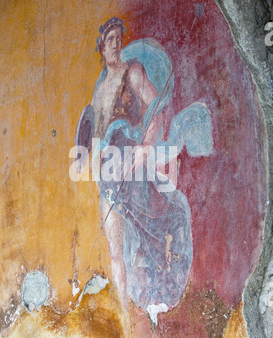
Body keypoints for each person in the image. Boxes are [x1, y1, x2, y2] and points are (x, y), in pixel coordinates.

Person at [76, 17, 213, 322]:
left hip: (132, 164)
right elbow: (95, 136)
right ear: (100, 46)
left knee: (146, 230)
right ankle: (124, 315)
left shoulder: (133, 72)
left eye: (118, 37)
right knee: (114, 246)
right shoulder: (99, 92)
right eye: (109, 38)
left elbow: (158, 110)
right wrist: (86, 158)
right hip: (108, 173)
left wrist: (146, 146)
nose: (115, 43)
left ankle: (154, 295)